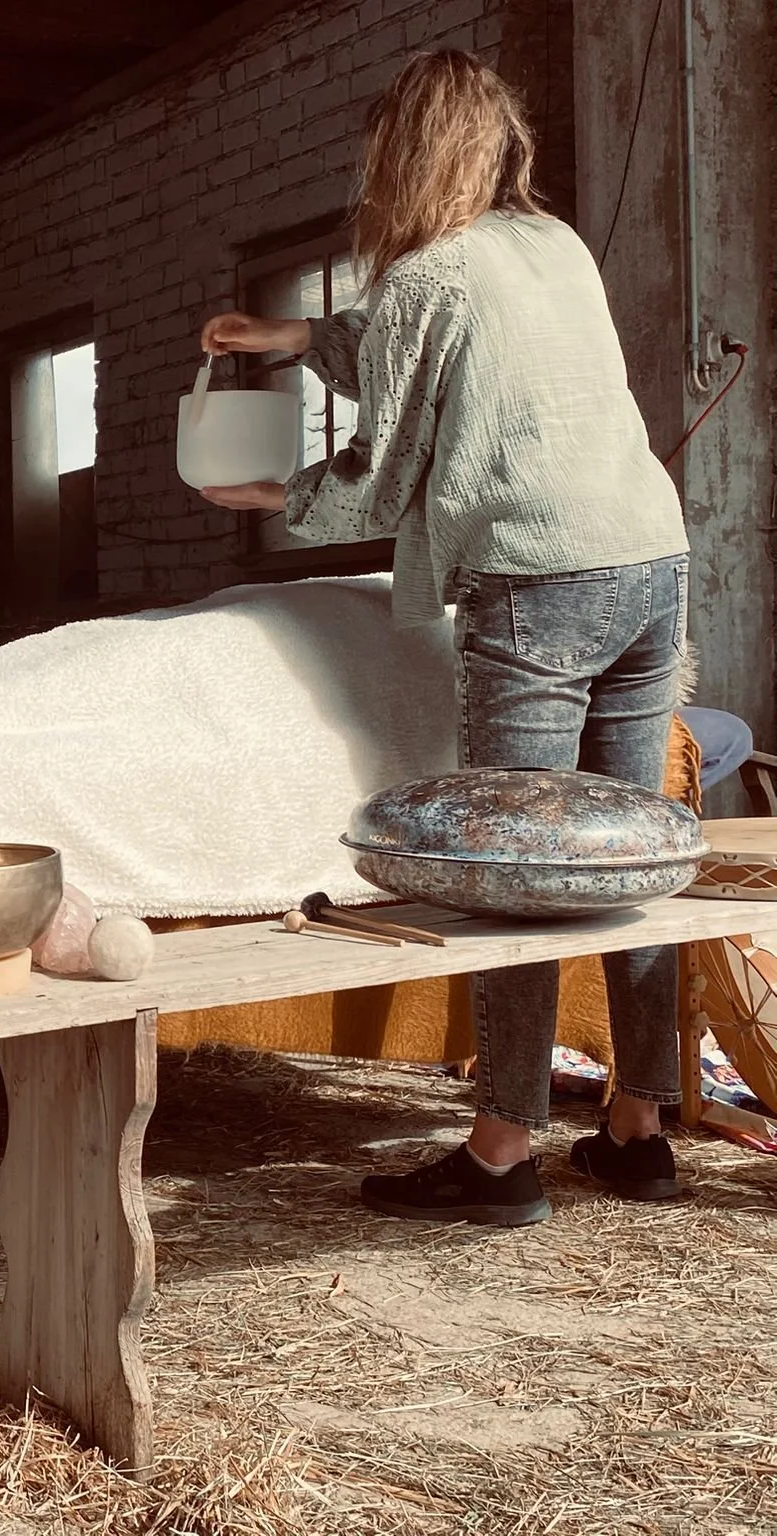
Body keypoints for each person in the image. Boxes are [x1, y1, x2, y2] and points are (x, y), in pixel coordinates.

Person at [197, 50, 692, 1225]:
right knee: (624, 859)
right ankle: (636, 1131)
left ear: (400, 155)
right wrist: (288, 335)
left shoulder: (426, 275)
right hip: (649, 559)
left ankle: (500, 1154)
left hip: (538, 578)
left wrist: (266, 498)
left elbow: (381, 473)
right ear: (498, 143)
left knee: (513, 870)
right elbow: (414, 343)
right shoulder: (551, 245)